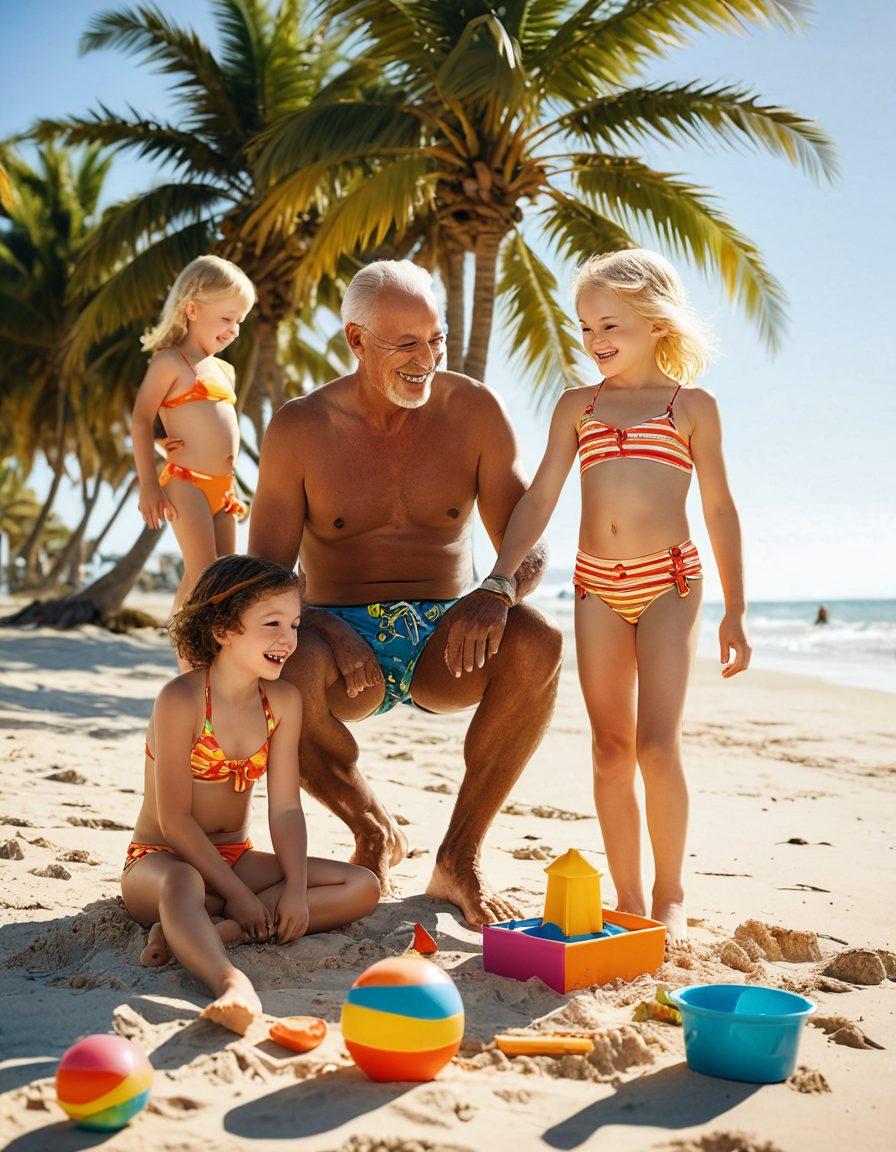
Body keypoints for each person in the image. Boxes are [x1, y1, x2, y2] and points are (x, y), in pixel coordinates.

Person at [249, 260, 562, 927]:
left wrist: (498, 591)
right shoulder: (301, 429)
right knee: (274, 669)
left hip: (448, 637)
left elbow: (528, 541)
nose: (427, 360)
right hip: (336, 640)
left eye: (436, 339)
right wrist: (322, 627)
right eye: (407, 344)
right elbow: (265, 578)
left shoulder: (473, 411)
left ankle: (459, 857)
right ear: (356, 341)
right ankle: (372, 830)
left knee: (539, 641)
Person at [486, 249, 751, 942]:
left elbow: (719, 508)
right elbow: (542, 495)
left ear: (656, 321)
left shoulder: (691, 407)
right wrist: (501, 574)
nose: (595, 339)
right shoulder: (580, 406)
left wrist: (736, 609)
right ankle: (630, 897)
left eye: (610, 325)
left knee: (656, 746)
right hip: (596, 586)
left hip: (670, 582)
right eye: (585, 327)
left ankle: (670, 893)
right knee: (610, 747)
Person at [120, 555, 380, 1035]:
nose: (288, 639)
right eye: (272, 624)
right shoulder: (181, 699)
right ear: (223, 629)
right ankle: (229, 980)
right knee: (184, 883)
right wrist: (240, 895)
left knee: (362, 885)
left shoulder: (281, 702)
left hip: (235, 856)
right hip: (161, 860)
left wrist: (296, 890)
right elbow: (174, 820)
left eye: (295, 625)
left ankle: (216, 930)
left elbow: (285, 808)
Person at [131, 255, 255, 667]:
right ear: (191, 310)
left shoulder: (224, 370)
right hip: (186, 482)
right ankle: (189, 663)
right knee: (205, 575)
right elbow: (141, 418)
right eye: (227, 318)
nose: (233, 329)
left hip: (224, 490)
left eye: (239, 321)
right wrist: (149, 485)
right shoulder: (170, 361)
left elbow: (208, 424)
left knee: (223, 580)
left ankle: (204, 658)